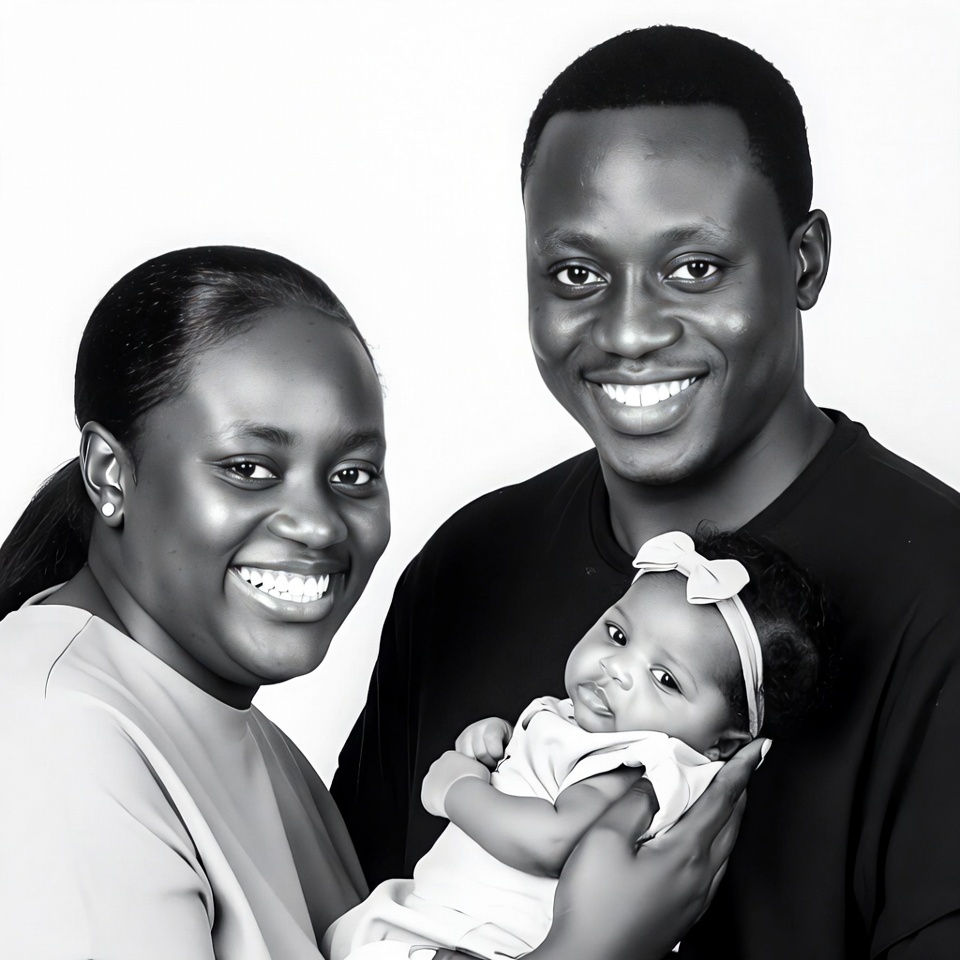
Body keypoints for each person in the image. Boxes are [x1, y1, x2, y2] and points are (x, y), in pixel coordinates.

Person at [332, 25, 960, 960]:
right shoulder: (469, 565)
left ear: (804, 264)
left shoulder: (939, 596)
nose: (627, 330)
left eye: (694, 268)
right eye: (577, 274)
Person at [0, 245, 762, 960]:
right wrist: (590, 950)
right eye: (249, 467)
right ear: (109, 474)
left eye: (354, 475)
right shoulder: (53, 733)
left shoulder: (250, 742)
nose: (318, 523)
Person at [326, 529, 829, 960]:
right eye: (616, 633)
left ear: (722, 744)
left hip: (479, 945)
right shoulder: (583, 726)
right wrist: (496, 741)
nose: (617, 668)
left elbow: (550, 840)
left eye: (664, 678)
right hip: (445, 925)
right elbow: (539, 772)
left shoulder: (640, 763)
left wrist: (457, 786)